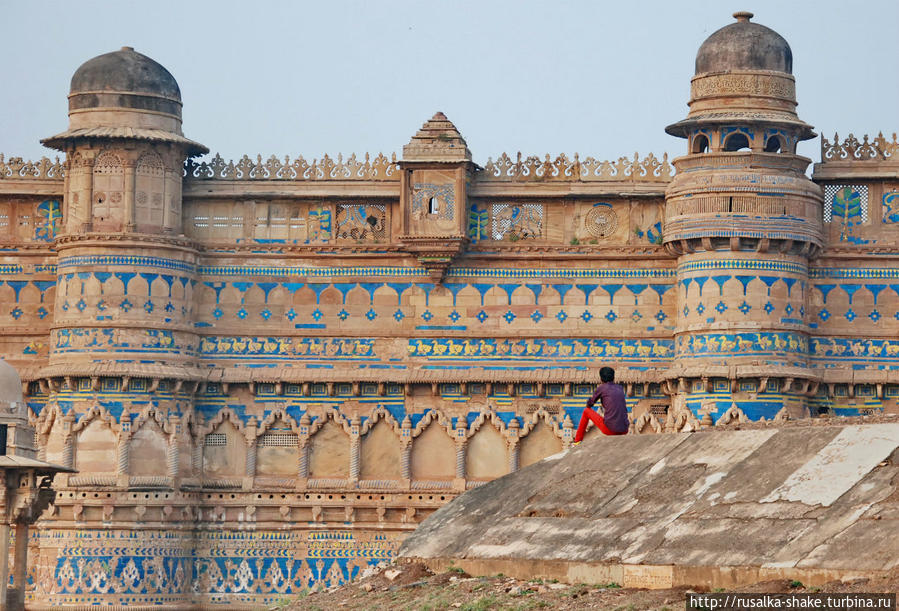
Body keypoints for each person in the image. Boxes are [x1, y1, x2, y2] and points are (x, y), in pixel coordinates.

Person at [573, 366, 628, 443]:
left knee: (586, 411)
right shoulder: (620, 388)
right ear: (613, 377)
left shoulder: (602, 388)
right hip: (625, 429)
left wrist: (589, 402)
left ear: (601, 378)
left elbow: (590, 404)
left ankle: (577, 441)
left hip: (610, 430)